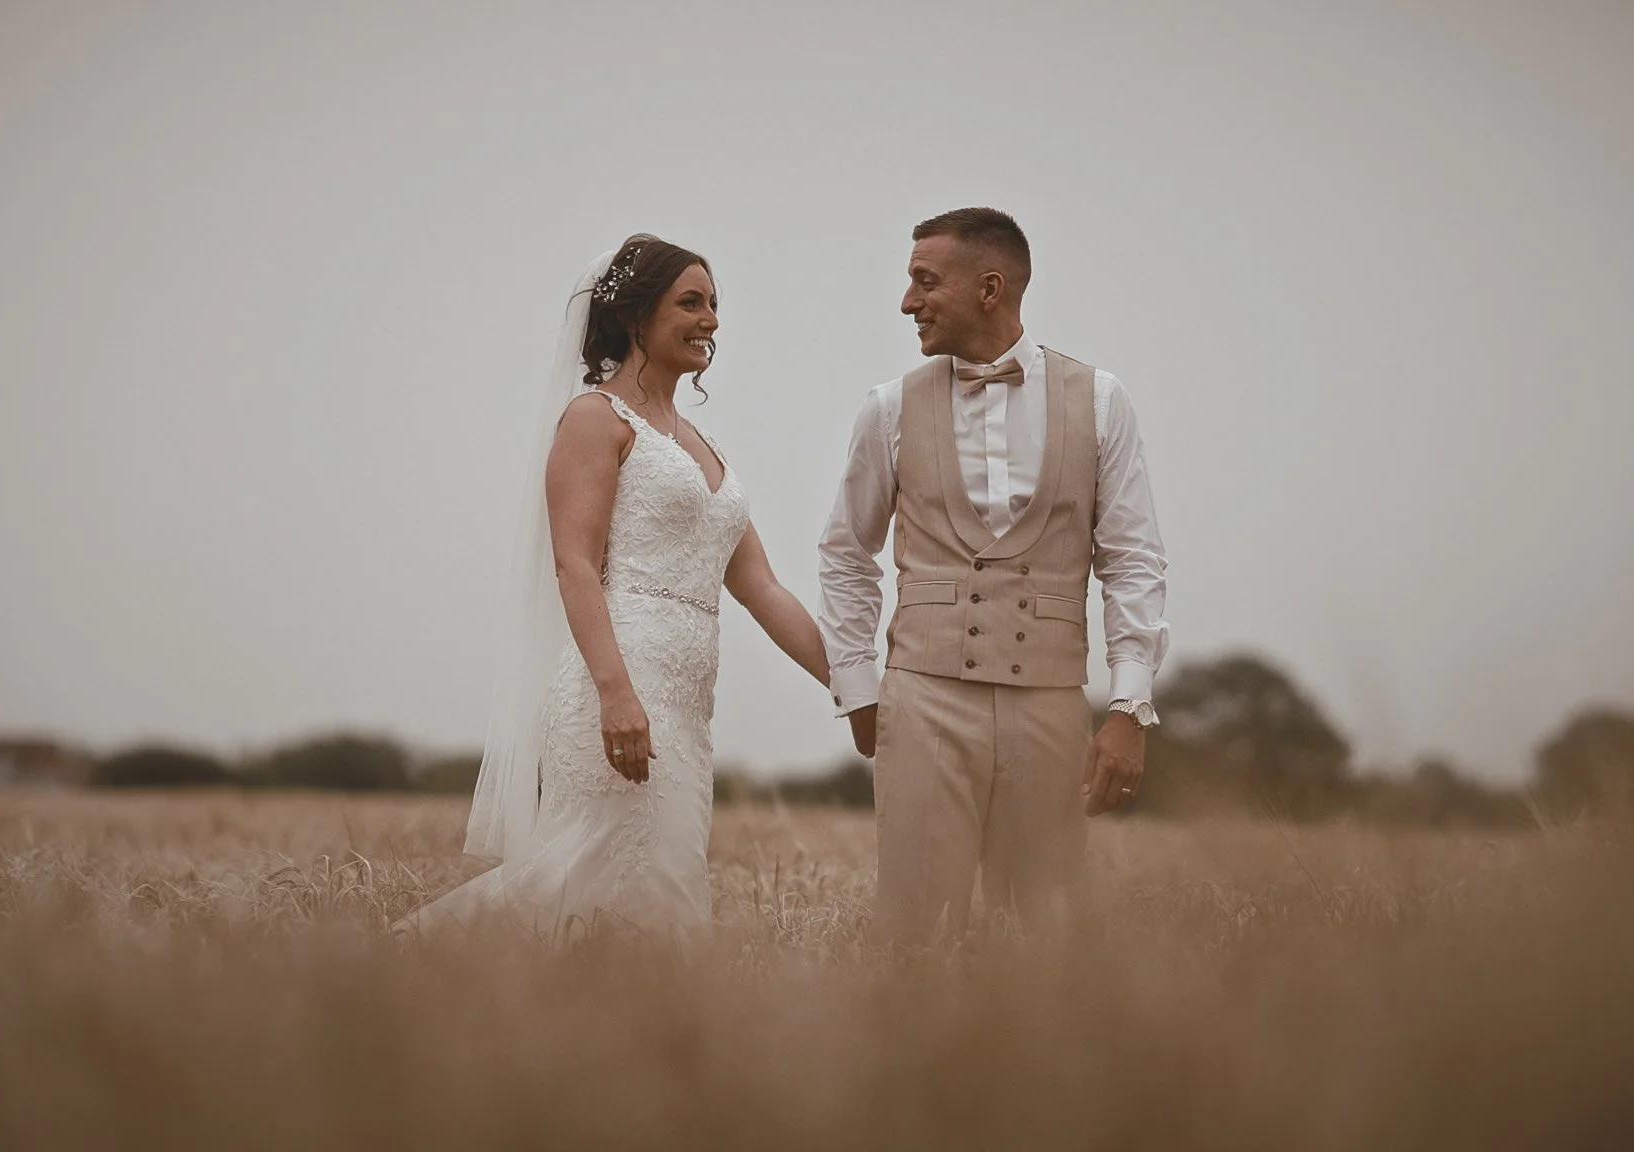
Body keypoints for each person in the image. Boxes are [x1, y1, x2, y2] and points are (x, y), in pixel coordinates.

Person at [396, 235, 829, 941]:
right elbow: (574, 564)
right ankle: (415, 973)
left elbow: (763, 589)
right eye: (690, 303)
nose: (711, 319)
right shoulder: (595, 419)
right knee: (614, 882)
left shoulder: (704, 444)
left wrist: (852, 683)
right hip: (619, 687)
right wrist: (616, 693)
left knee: (647, 882)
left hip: (688, 709)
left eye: (715, 304)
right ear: (637, 317)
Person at [817, 207, 1170, 943]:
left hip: (1049, 704)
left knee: (1045, 932)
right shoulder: (888, 409)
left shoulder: (1103, 401)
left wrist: (1129, 707)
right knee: (910, 931)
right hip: (922, 700)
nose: (908, 302)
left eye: (924, 282)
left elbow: (1133, 558)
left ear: (989, 287)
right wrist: (857, 685)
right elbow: (847, 553)